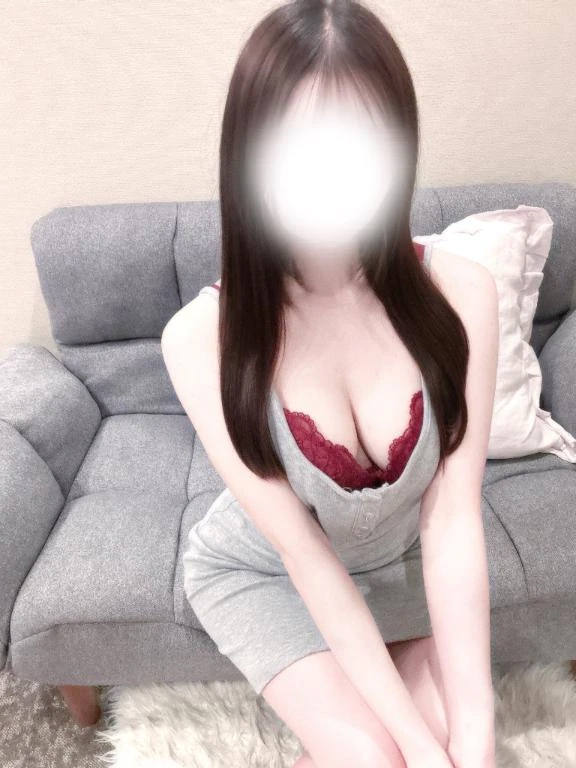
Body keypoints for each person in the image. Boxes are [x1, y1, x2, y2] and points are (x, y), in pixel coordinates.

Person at [161, 1, 499, 766]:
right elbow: (305, 556)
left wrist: (473, 737)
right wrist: (415, 745)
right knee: (387, 758)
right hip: (269, 572)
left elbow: (452, 522)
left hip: (395, 566)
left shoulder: (463, 290)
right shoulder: (200, 338)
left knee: (465, 737)